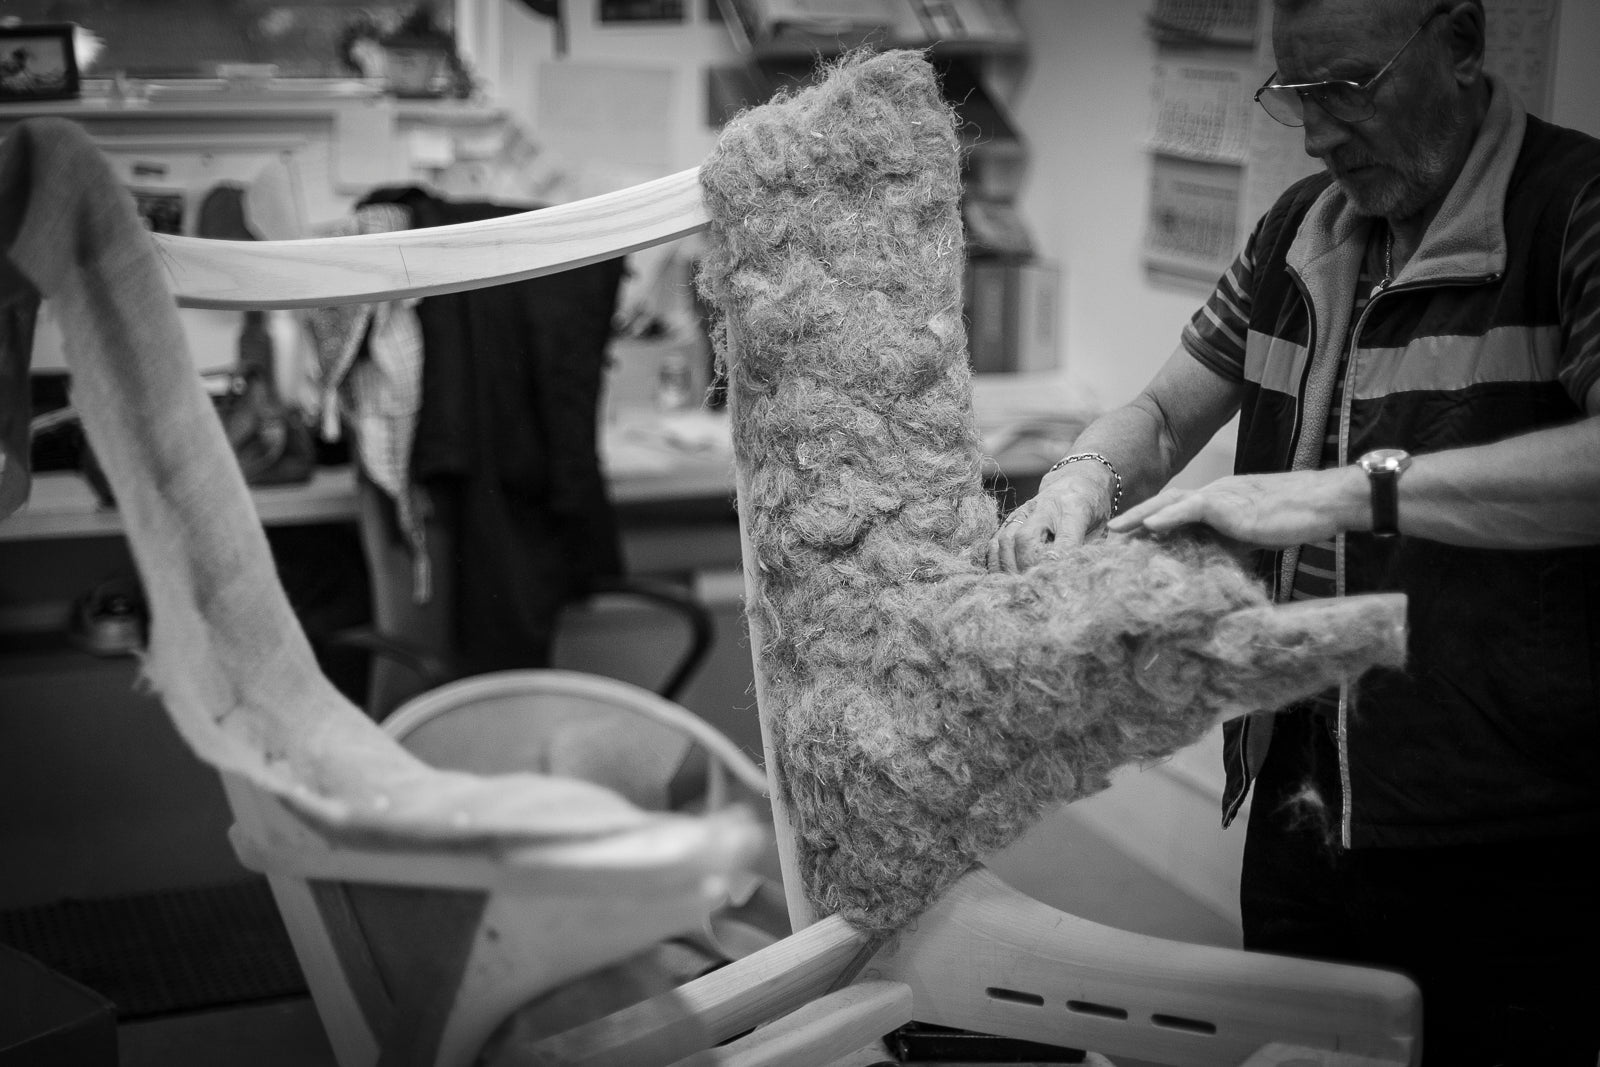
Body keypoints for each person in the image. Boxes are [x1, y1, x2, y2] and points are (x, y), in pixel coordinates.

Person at [988, 1, 1600, 1063]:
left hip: (1503, 817)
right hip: (1298, 781)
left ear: (1460, 45)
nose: (1316, 133)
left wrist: (1341, 494)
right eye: (1294, 95)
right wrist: (1077, 480)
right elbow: (1164, 414)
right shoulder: (1299, 228)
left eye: (1347, 89)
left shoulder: (1575, 208)